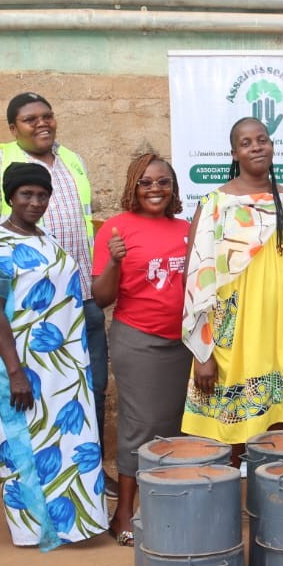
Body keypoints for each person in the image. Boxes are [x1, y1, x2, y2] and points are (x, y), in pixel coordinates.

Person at [0, 92, 110, 487]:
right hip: (25, 316)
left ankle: (84, 472)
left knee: (86, 391)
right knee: (31, 403)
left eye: (48, 116)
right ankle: (37, 491)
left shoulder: (71, 161)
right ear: (13, 128)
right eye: (30, 119)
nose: (42, 123)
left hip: (80, 299)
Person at [181, 117, 283, 444]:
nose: (256, 147)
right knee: (232, 435)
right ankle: (238, 496)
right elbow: (196, 284)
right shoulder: (216, 205)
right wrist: (203, 354)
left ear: (272, 146)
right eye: (246, 143)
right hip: (239, 335)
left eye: (262, 139)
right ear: (234, 153)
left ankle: (277, 494)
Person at [91, 154, 192, 545]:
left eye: (163, 182)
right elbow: (101, 298)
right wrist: (115, 262)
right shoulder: (116, 229)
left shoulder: (186, 228)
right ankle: (123, 515)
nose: (155, 189)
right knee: (140, 425)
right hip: (139, 339)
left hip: (182, 342)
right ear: (133, 186)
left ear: (173, 187)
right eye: (146, 182)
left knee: (177, 425)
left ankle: (166, 507)